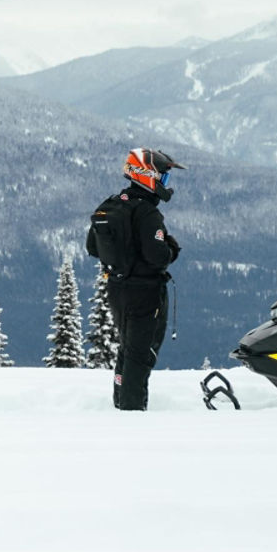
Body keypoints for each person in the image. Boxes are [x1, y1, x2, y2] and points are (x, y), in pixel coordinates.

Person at [86, 148, 184, 411]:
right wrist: (172, 247)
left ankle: (121, 403)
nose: (166, 185)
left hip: (117, 289)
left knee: (127, 349)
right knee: (140, 356)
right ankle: (131, 413)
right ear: (146, 175)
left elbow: (93, 247)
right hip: (145, 293)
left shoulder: (112, 204)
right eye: (162, 178)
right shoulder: (147, 213)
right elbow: (158, 257)